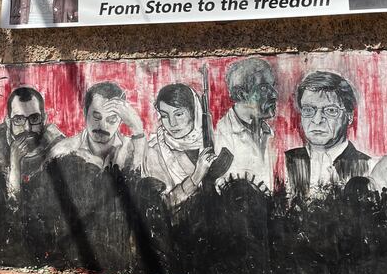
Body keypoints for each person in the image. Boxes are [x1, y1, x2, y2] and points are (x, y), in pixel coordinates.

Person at [285, 71, 373, 199]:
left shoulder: (368, 166)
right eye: (309, 110)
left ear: (349, 116)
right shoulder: (284, 162)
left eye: (331, 110)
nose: (317, 120)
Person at [142, 83, 217, 209]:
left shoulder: (212, 139)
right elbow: (161, 204)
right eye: (165, 116)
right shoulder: (154, 151)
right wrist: (196, 177)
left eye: (178, 114)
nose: (172, 123)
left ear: (194, 112)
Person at [0, 86, 65, 204]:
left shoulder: (58, 146)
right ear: (9, 122)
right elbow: (11, 205)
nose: (27, 127)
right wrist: (15, 164)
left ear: (44, 119)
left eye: (34, 118)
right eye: (19, 119)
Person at [213, 58, 279, 192]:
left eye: (273, 86)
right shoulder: (221, 135)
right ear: (241, 94)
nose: (274, 94)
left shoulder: (268, 132)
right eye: (264, 88)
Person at [50, 81, 146, 172]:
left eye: (111, 120)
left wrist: (138, 130)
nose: (102, 126)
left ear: (121, 119)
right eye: (96, 117)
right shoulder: (62, 151)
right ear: (85, 113)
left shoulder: (133, 149)